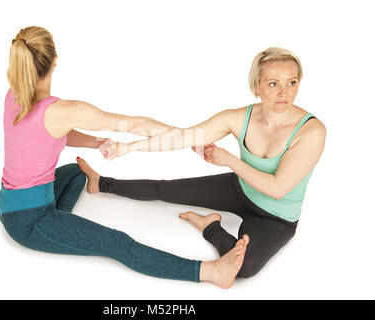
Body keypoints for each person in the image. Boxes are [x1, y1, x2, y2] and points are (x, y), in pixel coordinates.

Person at [0, 26, 249, 289]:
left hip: (7, 204)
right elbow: (135, 124)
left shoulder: (15, 95)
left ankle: (82, 200)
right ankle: (210, 272)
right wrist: (190, 140)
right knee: (114, 242)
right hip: (29, 222)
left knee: (75, 170)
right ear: (55, 61)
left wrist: (97, 143)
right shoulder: (64, 111)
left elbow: (48, 134)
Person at [77, 47, 326, 278]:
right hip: (240, 190)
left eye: (292, 83)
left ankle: (209, 226)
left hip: (275, 217)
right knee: (166, 189)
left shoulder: (311, 131)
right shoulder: (238, 117)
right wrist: (128, 148)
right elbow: (184, 137)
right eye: (273, 84)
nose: (284, 92)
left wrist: (228, 160)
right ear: (256, 87)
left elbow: (277, 188)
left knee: (243, 268)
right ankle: (102, 183)